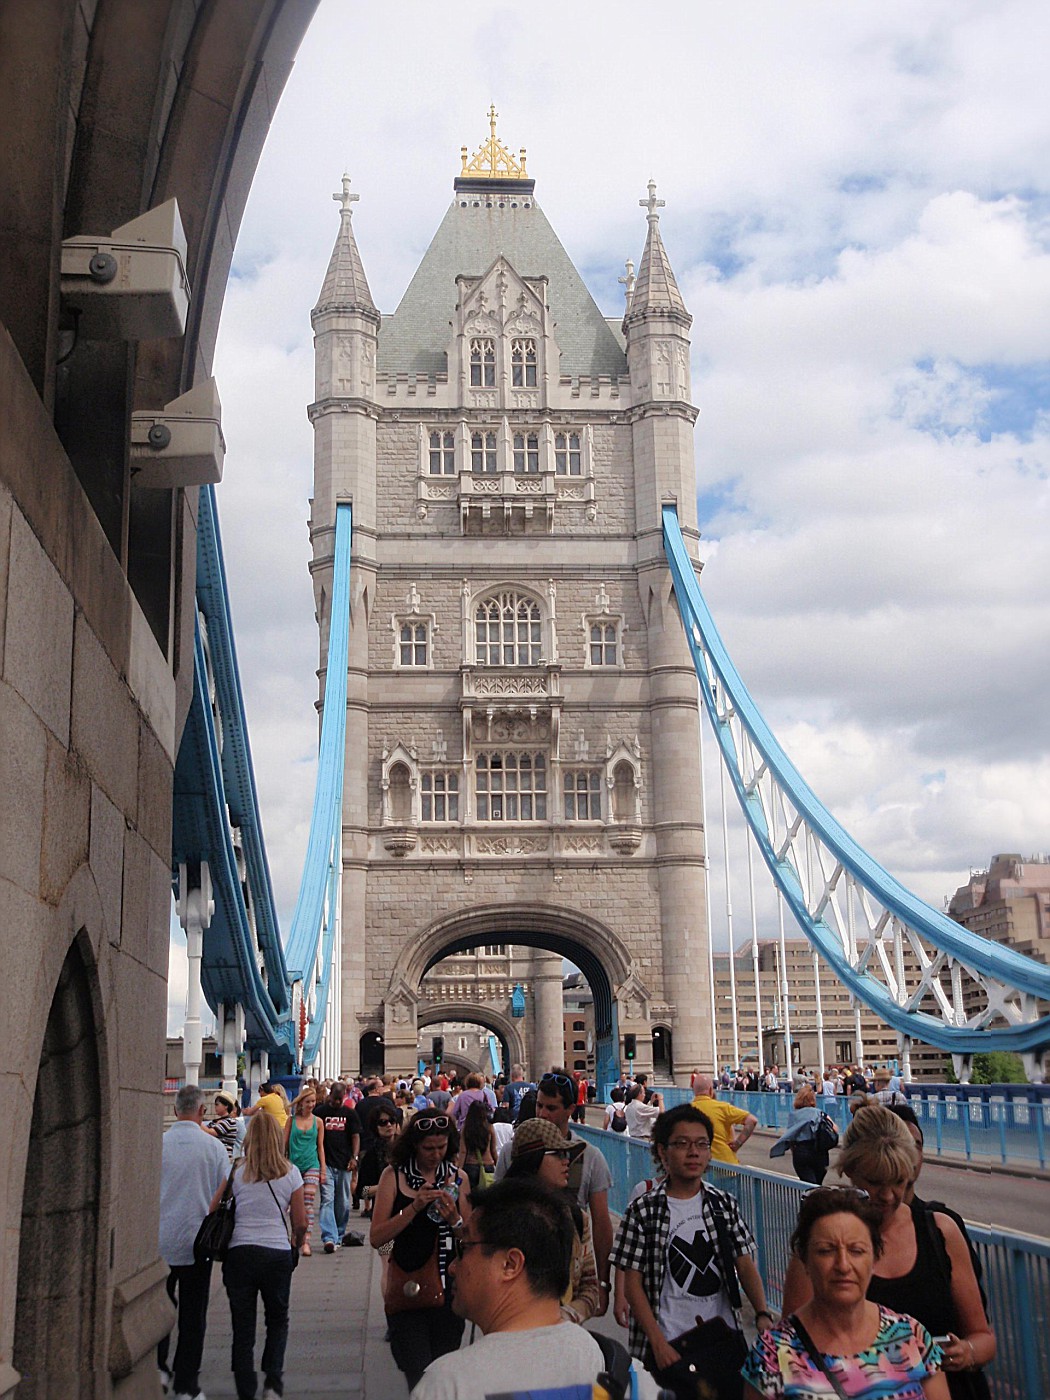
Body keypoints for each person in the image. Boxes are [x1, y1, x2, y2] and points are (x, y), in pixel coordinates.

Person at [781, 1105, 995, 1398]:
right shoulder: (818, 1242)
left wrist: (965, 1352)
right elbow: (793, 1351)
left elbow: (983, 1338)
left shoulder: (941, 1231)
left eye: (899, 1181)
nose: (889, 1195)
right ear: (850, 1170)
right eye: (876, 1182)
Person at [410, 1177, 660, 1400]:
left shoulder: (447, 1386)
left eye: (464, 1247)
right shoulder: (628, 1375)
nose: (453, 1267)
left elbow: (381, 1241)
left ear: (510, 1264)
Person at [610, 1105, 773, 1399]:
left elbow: (745, 1264)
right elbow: (633, 1283)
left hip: (722, 1341)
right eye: (682, 1144)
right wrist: (657, 1343)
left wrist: (762, 1312)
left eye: (701, 1144)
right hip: (669, 1346)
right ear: (662, 1152)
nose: (693, 1152)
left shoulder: (723, 1204)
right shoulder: (644, 1210)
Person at [742, 1187, 948, 1400]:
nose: (843, 1265)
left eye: (856, 1251)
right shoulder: (772, 1353)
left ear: (875, 1258)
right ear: (804, 1259)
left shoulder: (913, 1337)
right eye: (826, 1251)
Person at [495, 1068, 614, 1311]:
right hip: (519, 1279)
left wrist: (602, 1282)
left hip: (569, 1276)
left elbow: (601, 1222)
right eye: (539, 1105)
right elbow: (496, 1210)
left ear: (571, 1110)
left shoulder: (591, 1157)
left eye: (551, 1108)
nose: (541, 1114)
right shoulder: (511, 1151)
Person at [369, 1109, 471, 1390]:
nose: (436, 1154)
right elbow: (377, 1237)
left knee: (444, 1370)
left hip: (450, 1291)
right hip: (408, 1287)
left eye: (442, 1147)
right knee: (418, 1373)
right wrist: (414, 1207)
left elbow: (471, 1240)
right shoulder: (394, 1176)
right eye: (428, 1148)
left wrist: (455, 1219)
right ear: (414, 1144)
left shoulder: (458, 1178)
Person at [211, 1111, 307, 1400]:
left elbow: (214, 1209)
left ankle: (245, 1389)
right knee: (278, 1320)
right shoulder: (291, 1173)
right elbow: (301, 1222)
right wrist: (295, 1243)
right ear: (277, 1139)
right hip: (276, 1254)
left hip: (240, 1253)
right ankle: (273, 1385)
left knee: (242, 1328)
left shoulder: (237, 1172)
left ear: (250, 1138)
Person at [158, 1084, 231, 1399]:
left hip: (160, 1240)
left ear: (175, 1110)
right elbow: (225, 1190)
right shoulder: (213, 1148)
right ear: (203, 1111)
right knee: (193, 1314)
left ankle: (158, 1369)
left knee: (159, 1309)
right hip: (197, 1240)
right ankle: (187, 1385)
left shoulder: (158, 1143)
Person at [504, 1117, 599, 1324]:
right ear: (532, 1159)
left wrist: (565, 1317)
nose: (566, 1161)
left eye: (567, 1154)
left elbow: (590, 1288)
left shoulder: (576, 1218)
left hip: (563, 1343)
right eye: (557, 1154)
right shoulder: (497, 1219)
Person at [314, 1081, 360, 1252]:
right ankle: (329, 1237)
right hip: (325, 1163)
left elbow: (355, 1136)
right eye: (334, 1099)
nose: (337, 1103)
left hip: (344, 1164)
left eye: (340, 1100)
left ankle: (339, 1234)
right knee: (327, 1200)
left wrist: (354, 1158)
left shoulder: (350, 1114)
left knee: (343, 1202)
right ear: (330, 1095)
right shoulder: (320, 1112)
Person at [283, 1085, 325, 1255]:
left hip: (311, 1165)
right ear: (301, 1103)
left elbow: (320, 1147)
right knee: (293, 1205)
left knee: (308, 1203)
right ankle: (295, 1236)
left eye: (313, 1101)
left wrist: (323, 1169)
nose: (311, 1105)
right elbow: (283, 1145)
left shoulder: (318, 1122)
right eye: (308, 1102)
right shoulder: (291, 1121)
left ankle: (305, 1241)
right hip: (293, 1166)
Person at [769, 1085, 836, 1184]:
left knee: (807, 1184)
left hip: (802, 1151)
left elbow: (791, 1135)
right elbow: (834, 1128)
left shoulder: (794, 1116)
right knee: (818, 1183)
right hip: (820, 1152)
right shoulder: (820, 1113)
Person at [690, 1071, 758, 1163]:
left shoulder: (685, 1112)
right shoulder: (722, 1108)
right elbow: (752, 1120)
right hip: (725, 1165)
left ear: (693, 1091)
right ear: (711, 1090)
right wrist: (738, 1143)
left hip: (699, 1166)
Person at [355, 1103, 399, 1218]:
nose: (389, 1125)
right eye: (383, 1122)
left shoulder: (407, 1148)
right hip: (382, 1211)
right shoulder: (371, 1154)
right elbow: (362, 1191)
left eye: (392, 1121)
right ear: (375, 1127)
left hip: (405, 1209)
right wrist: (385, 1187)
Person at [456, 1098, 497, 1191]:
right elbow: (493, 1150)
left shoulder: (466, 1128)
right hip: (488, 1165)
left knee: (471, 1196)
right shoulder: (489, 1127)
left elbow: (463, 1151)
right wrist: (499, 1166)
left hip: (470, 1165)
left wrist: (460, 1168)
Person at [210, 1090, 241, 1161]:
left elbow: (210, 1132)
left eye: (217, 1104)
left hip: (223, 1159)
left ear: (226, 1106)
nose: (215, 1107)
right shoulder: (215, 1122)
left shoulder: (229, 1122)